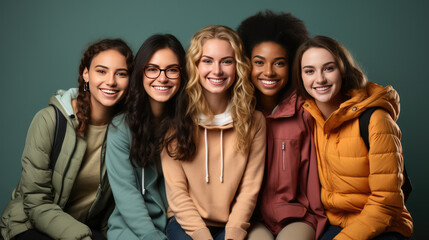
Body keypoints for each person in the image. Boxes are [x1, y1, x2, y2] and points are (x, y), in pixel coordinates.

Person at [0, 39, 133, 240]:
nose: (111, 81)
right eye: (102, 71)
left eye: (121, 73)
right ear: (86, 74)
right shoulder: (49, 120)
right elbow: (36, 202)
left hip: (86, 228)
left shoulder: (127, 131)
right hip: (30, 224)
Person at [293, 35, 413, 240]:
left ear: (343, 70)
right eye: (309, 71)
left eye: (329, 68)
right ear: (301, 77)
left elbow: (385, 204)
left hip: (383, 225)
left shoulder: (376, 120)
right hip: (333, 223)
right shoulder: (308, 118)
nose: (319, 79)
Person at [161, 25, 266, 240]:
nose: (217, 70)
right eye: (207, 61)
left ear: (237, 67)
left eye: (226, 61)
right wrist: (201, 235)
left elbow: (249, 189)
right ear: (195, 65)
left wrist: (233, 233)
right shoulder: (174, 120)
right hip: (186, 223)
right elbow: (177, 193)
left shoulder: (254, 121)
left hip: (233, 223)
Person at [237, 11, 327, 240]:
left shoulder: (305, 112)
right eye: (259, 62)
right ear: (246, 63)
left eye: (279, 63)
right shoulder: (238, 113)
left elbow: (314, 177)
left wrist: (317, 219)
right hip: (252, 219)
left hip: (297, 217)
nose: (268, 72)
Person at [105, 34, 187, 240]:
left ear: (183, 74)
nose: (162, 78)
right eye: (152, 69)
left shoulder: (188, 124)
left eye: (172, 69)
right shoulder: (120, 128)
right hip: (133, 228)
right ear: (141, 74)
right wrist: (152, 236)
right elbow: (126, 194)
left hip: (180, 224)